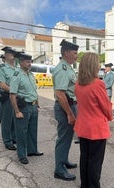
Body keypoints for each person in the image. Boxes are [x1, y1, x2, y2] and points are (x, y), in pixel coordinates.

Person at [74, 52, 113, 188]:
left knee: (84, 157)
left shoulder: (78, 83)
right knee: (95, 161)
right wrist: (110, 116)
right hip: (96, 128)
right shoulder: (98, 84)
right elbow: (106, 106)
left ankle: (84, 184)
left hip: (83, 126)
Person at [9, 53, 43, 165]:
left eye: (30, 61)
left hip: (33, 106)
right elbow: (12, 94)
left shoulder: (30, 74)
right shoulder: (17, 75)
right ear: (21, 62)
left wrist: (37, 104)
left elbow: (34, 91)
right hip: (23, 107)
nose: (30, 64)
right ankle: (22, 155)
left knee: (33, 130)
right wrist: (17, 111)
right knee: (22, 132)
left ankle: (32, 150)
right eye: (27, 62)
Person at [52, 39, 78, 181]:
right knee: (63, 138)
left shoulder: (68, 67)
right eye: (75, 53)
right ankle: (59, 170)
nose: (77, 55)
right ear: (66, 53)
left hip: (69, 106)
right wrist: (69, 114)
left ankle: (64, 160)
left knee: (67, 138)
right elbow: (60, 94)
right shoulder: (62, 69)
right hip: (65, 108)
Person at [0, 46, 18, 150]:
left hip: (17, 97)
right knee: (7, 119)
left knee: (15, 118)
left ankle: (14, 137)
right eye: (11, 54)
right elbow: (1, 84)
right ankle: (7, 140)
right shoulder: (2, 68)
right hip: (8, 97)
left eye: (14, 54)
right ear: (5, 55)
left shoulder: (17, 68)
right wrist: (14, 92)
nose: (14, 56)